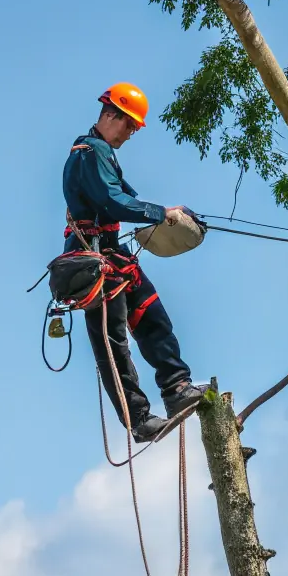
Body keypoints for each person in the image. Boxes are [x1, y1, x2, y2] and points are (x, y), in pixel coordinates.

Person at [63, 82, 204, 442]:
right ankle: (139, 419)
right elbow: (112, 203)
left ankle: (176, 389)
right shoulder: (87, 152)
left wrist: (172, 215)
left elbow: (128, 199)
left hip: (114, 254)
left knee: (153, 315)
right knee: (114, 344)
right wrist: (160, 212)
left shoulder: (103, 154)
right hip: (93, 259)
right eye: (128, 125)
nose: (130, 133)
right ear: (110, 114)